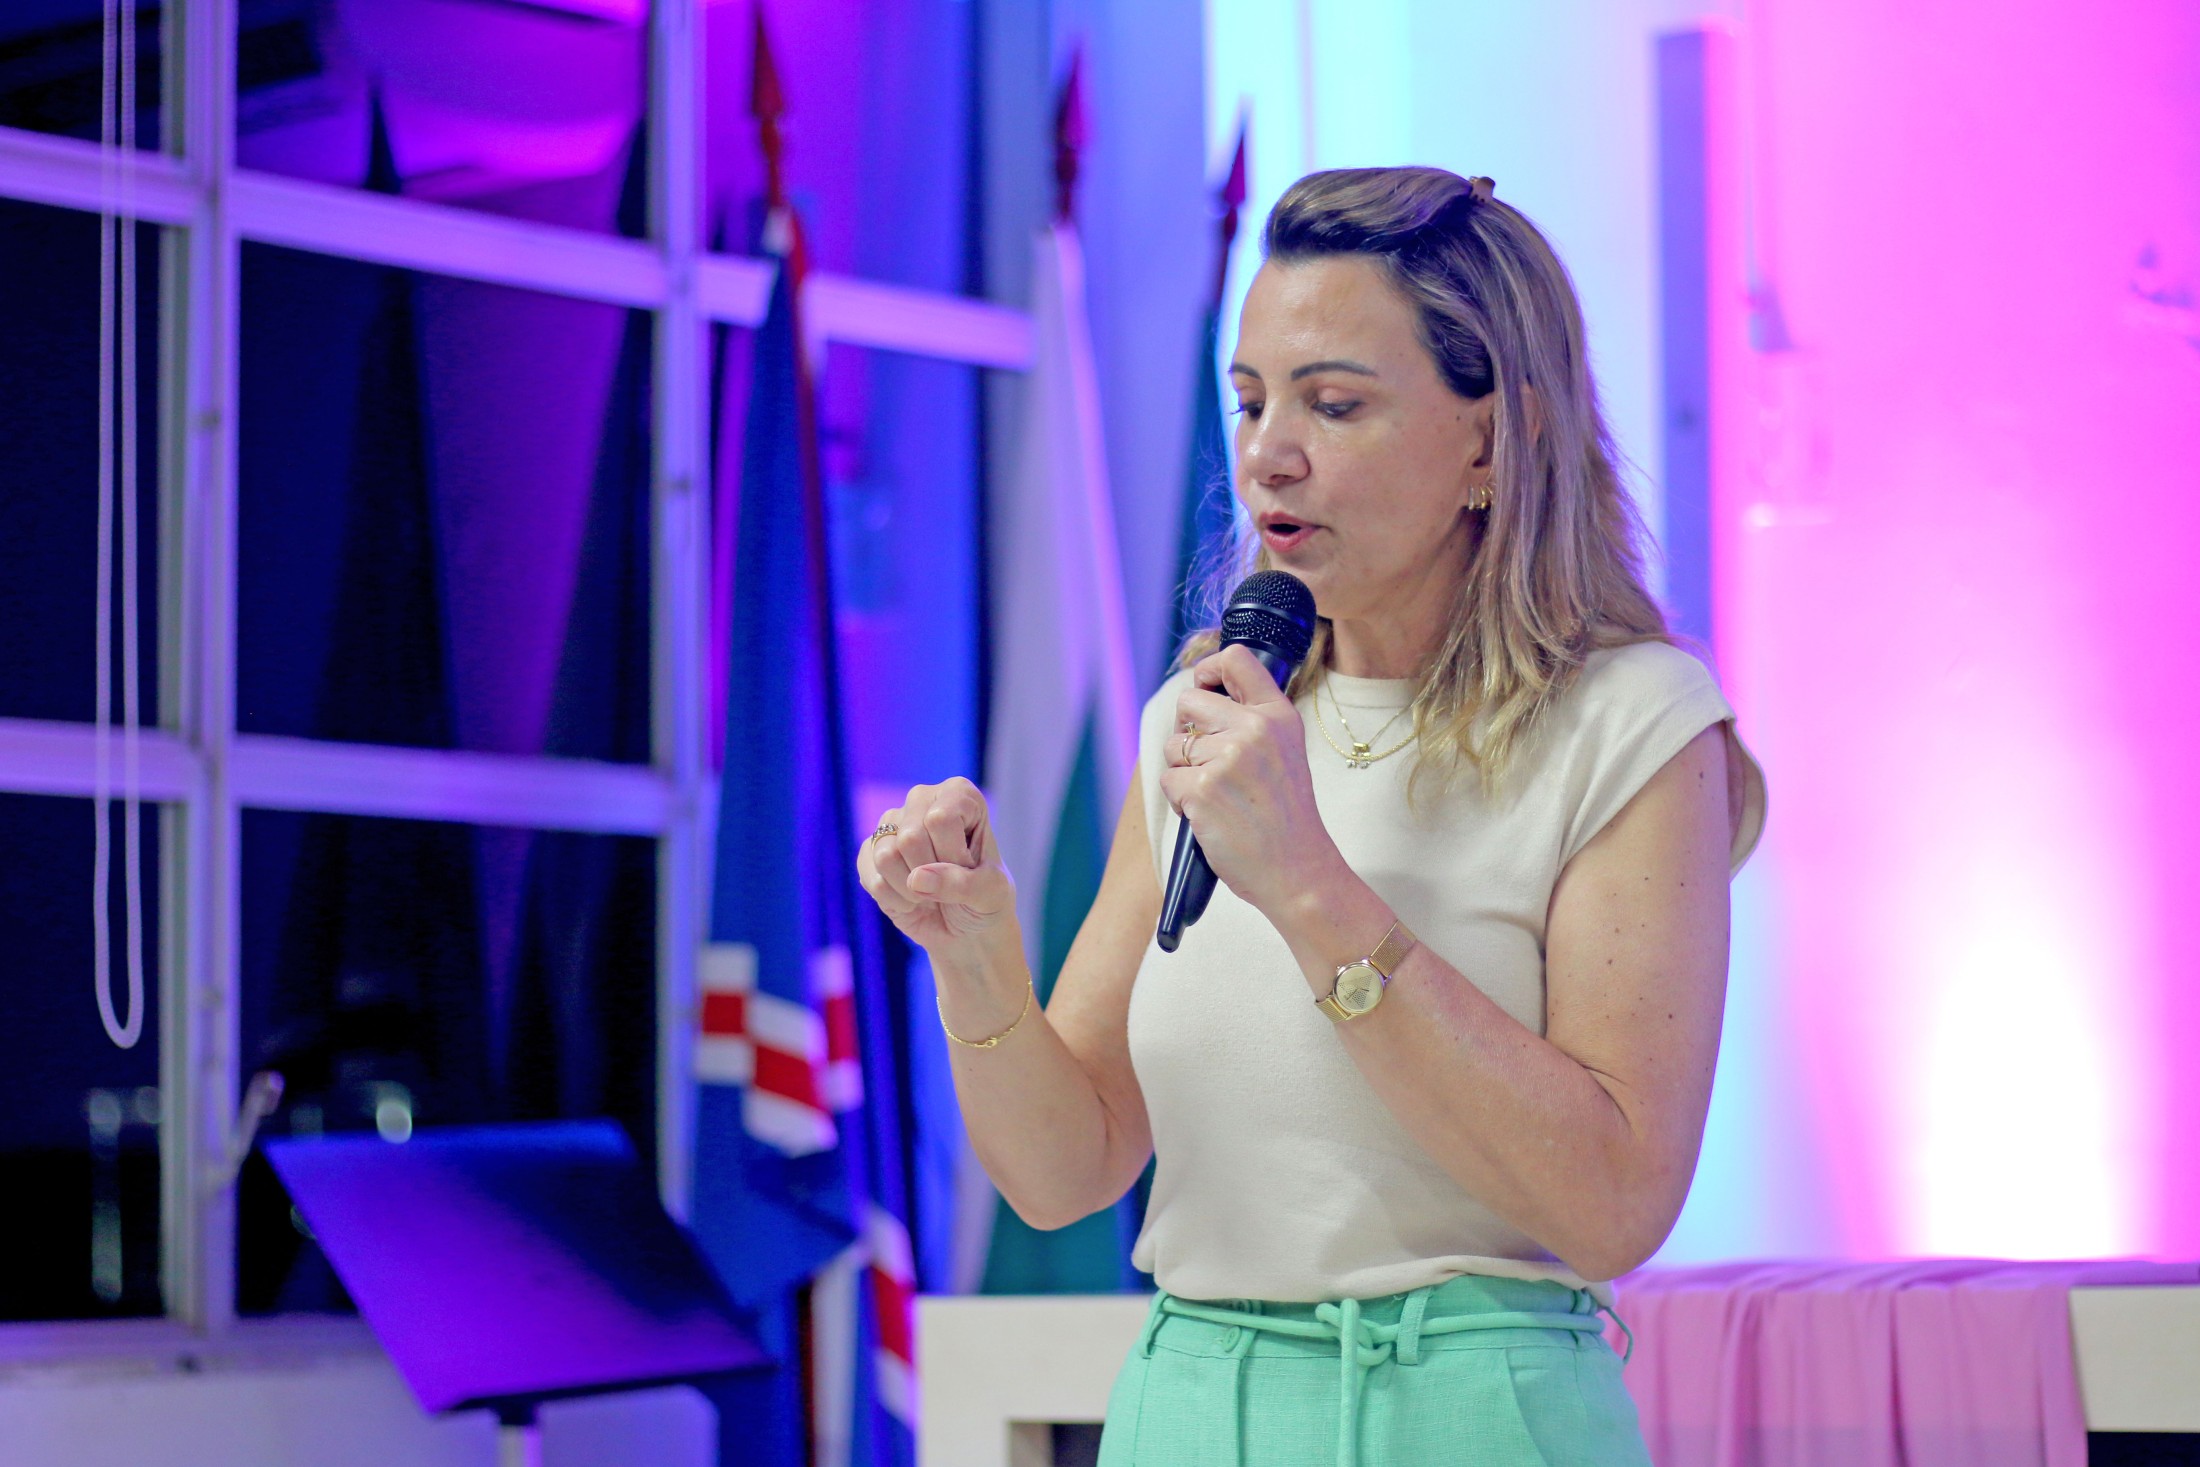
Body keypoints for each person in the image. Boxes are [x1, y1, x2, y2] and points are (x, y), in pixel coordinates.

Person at [857, 165, 1766, 1467]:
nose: (1267, 452)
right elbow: (1064, 1175)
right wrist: (977, 955)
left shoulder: (1635, 724)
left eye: (1334, 404)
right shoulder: (1203, 719)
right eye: (1250, 400)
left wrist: (1307, 885)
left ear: (1494, 441)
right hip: (1189, 1405)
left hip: (1475, 1416)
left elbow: (1615, 1203)